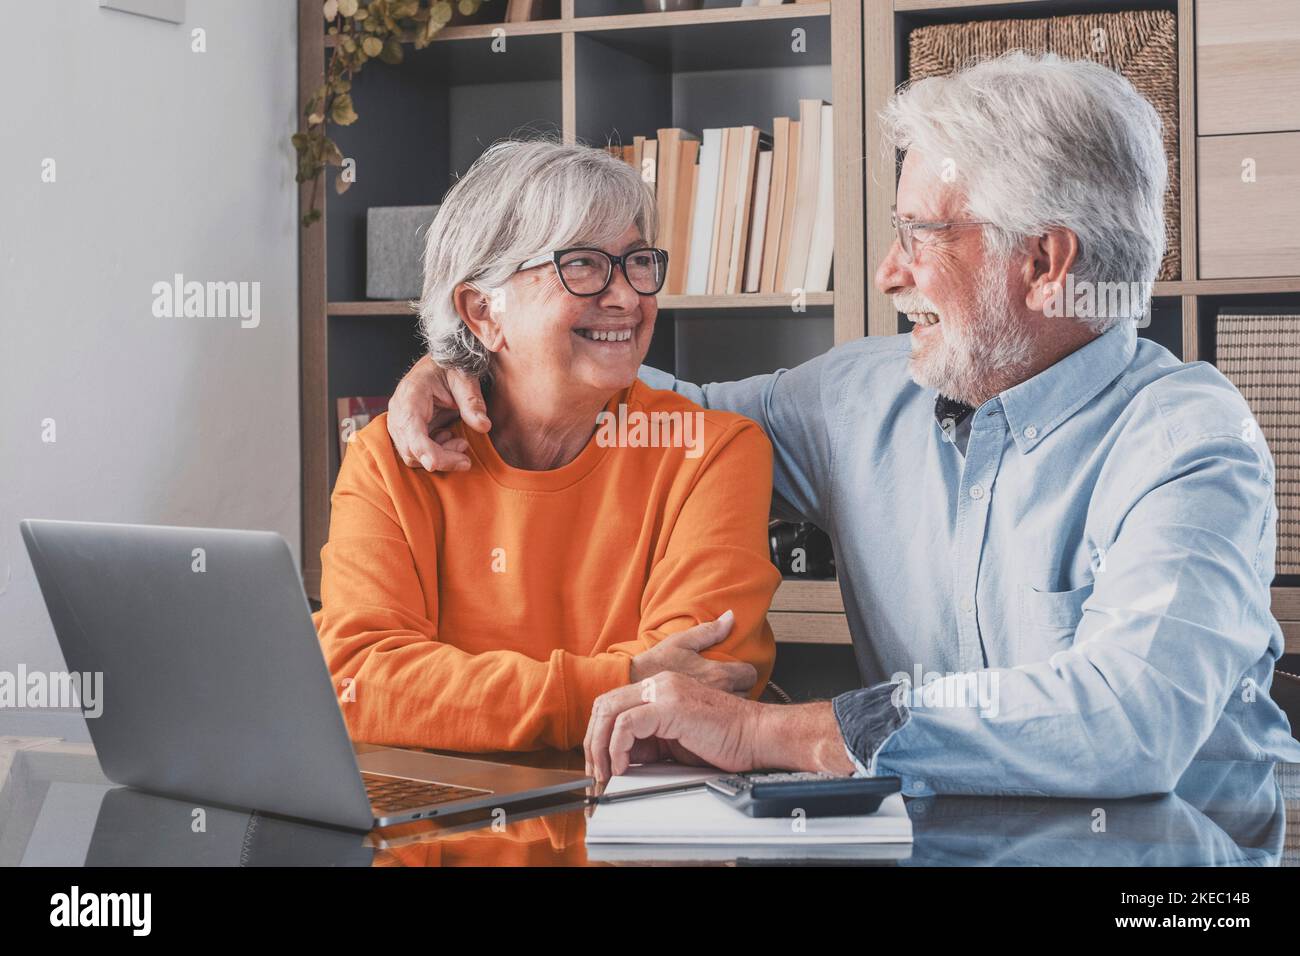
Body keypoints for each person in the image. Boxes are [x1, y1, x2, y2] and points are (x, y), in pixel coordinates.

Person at [387, 53, 1300, 796]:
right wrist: (475, 355)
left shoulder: (1190, 441)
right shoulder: (858, 397)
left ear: (1046, 260)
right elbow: (658, 412)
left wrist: (765, 732)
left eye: (920, 235)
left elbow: (1121, 724)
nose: (887, 273)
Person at [314, 138, 778, 754]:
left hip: (635, 829)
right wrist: (618, 682)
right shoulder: (390, 461)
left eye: (638, 261)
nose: (627, 296)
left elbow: (693, 702)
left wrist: (448, 701)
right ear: (484, 311)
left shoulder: (713, 452)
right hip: (438, 834)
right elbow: (355, 683)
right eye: (582, 264)